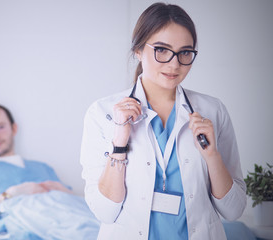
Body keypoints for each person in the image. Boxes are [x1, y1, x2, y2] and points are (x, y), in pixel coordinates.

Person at [80, 2, 246, 240]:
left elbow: (234, 209)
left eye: (185, 52)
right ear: (138, 50)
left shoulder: (212, 111)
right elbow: (105, 211)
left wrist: (212, 156)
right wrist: (119, 142)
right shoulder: (102, 113)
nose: (174, 63)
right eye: (162, 50)